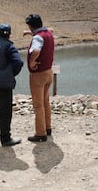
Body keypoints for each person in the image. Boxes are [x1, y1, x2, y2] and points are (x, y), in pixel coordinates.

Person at [24, 14, 55, 142]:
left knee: (38, 105)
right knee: (45, 101)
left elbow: (36, 50)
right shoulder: (48, 32)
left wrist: (32, 62)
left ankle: (40, 133)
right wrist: (31, 34)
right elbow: (42, 37)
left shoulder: (37, 38)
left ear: (31, 26)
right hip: (49, 72)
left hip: (38, 75)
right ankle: (47, 128)